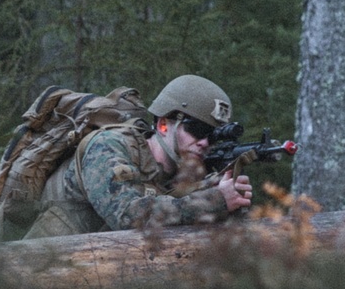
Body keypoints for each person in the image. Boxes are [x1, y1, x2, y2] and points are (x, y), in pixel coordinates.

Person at [24, 74, 252, 239]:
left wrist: (228, 197)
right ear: (163, 123)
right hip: (43, 272)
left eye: (213, 136)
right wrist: (214, 200)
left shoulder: (179, 173)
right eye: (197, 131)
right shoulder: (108, 146)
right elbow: (127, 215)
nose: (204, 143)